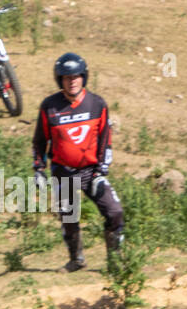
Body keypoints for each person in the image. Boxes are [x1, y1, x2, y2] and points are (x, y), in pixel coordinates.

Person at [32, 52, 124, 271]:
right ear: (59, 80)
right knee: (69, 218)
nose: (72, 81)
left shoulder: (97, 104)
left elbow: (105, 139)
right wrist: (38, 169)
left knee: (115, 211)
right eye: (66, 77)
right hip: (63, 172)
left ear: (84, 77)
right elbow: (39, 141)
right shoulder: (50, 107)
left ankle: (116, 261)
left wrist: (101, 171)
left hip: (92, 172)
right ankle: (76, 260)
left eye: (76, 76)